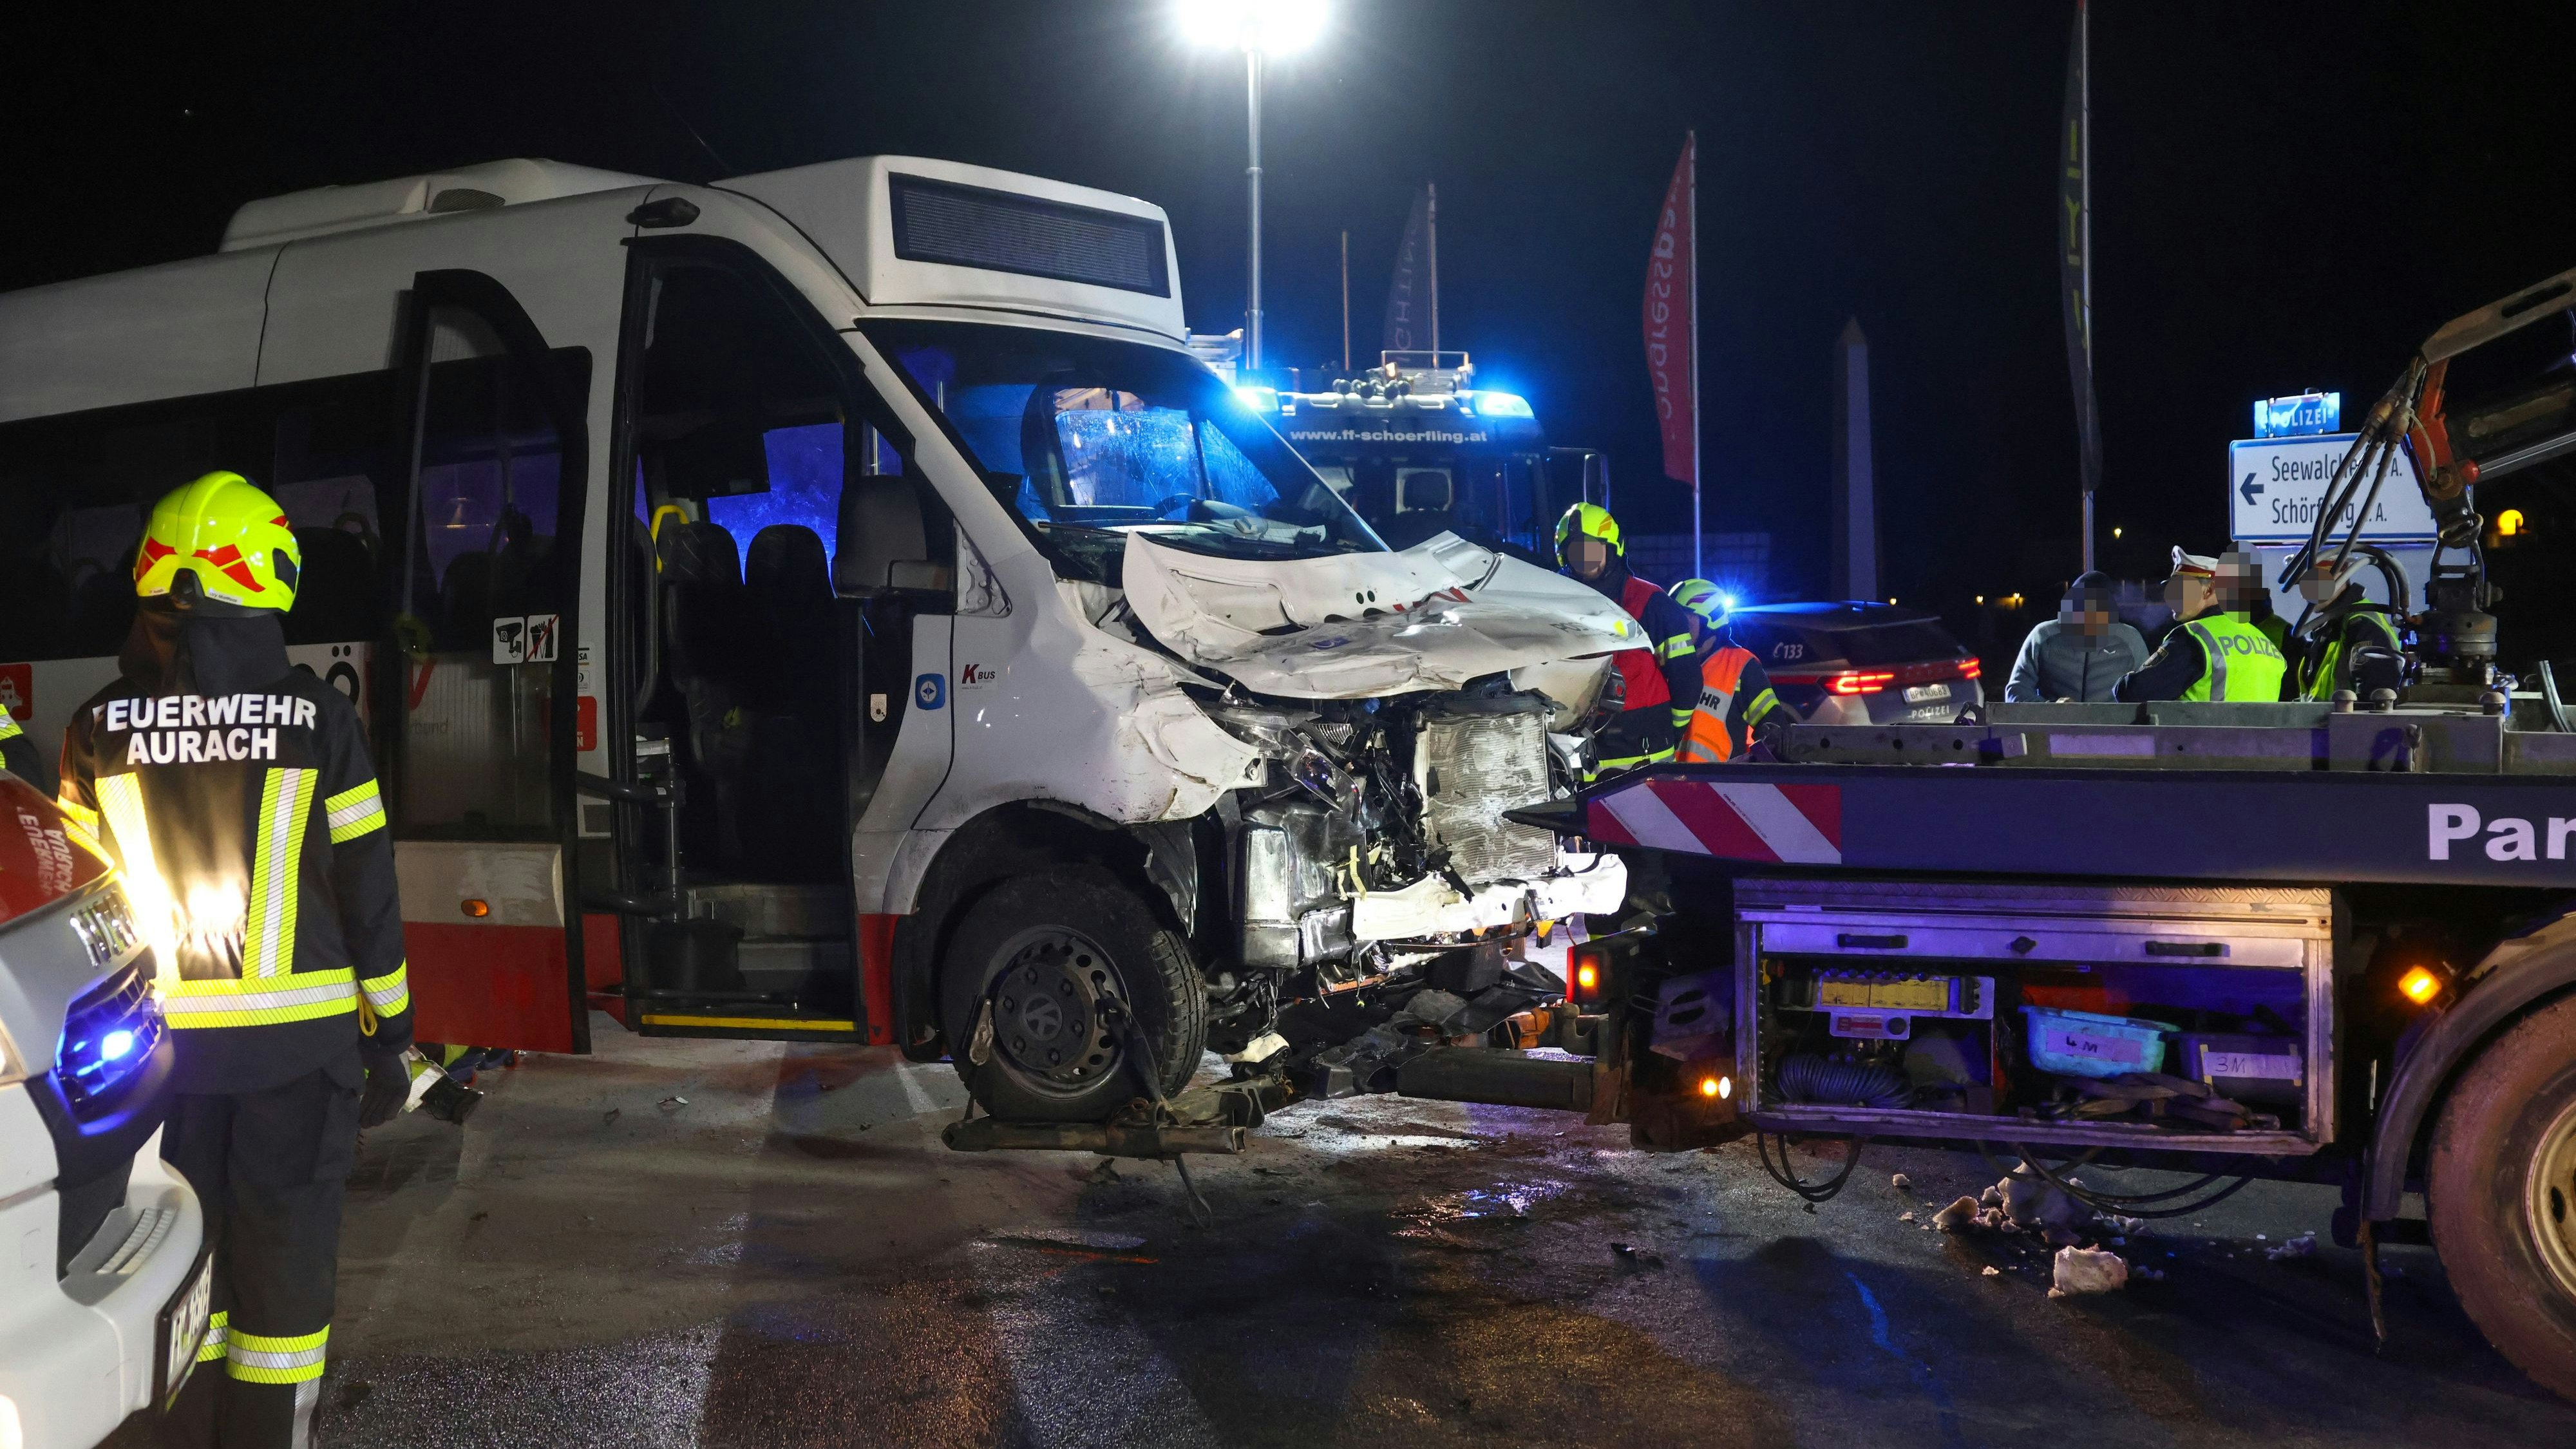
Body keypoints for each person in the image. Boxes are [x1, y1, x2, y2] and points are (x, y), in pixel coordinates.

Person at [56, 471, 413, 1449]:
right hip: (298, 1063)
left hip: (156, 1068)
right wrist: (392, 1034)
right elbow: (368, 893)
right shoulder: (321, 722)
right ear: (266, 577)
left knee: (179, 1279)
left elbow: (83, 911)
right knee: (283, 1296)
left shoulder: (96, 727)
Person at [1554, 503, 1699, 774]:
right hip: (1576, 753)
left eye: (1592, 549)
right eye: (1576, 551)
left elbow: (1686, 676)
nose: (1584, 558)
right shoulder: (1553, 604)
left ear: (1612, 549)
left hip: (1642, 753)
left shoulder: (1651, 601)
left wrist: (1671, 729)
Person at [2113, 547, 2288, 703]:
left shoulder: (2193, 637)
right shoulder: (2266, 643)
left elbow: (2133, 693)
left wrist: (2124, 681)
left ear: (2209, 590)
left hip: (2203, 732)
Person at [1668, 579, 1785, 762]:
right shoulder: (1668, 662)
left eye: (1685, 618)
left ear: (1711, 620)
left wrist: (1752, 766)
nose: (1676, 627)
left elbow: (1774, 727)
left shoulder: (1741, 665)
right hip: (1668, 777)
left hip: (1720, 778)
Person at [2003, 571, 2148, 703]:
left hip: (2111, 724)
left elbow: (2148, 694)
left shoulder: (2130, 639)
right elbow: (2015, 692)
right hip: (2055, 724)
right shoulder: (2043, 635)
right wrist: (2052, 709)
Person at [2292, 556, 2407, 701]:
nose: (2304, 596)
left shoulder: (2362, 624)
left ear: (2339, 577)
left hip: (2343, 716)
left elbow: (2377, 698)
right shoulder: (2331, 626)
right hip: (2327, 715)